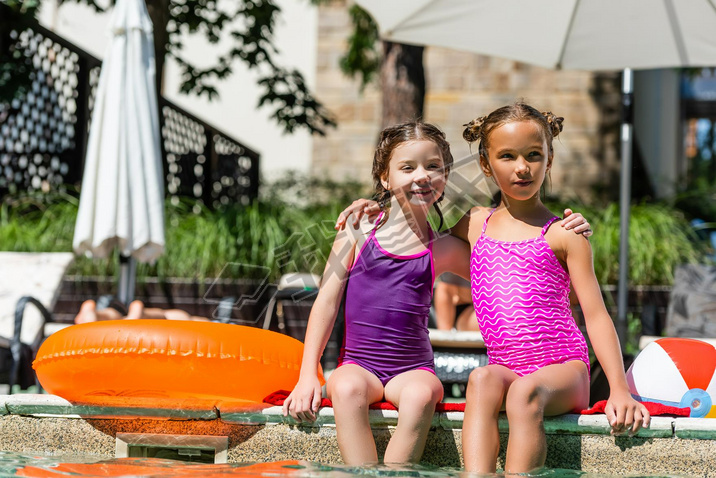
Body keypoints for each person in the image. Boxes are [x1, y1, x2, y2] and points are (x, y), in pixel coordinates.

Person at [451, 102, 650, 474]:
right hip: (506, 369)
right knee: (480, 379)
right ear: (485, 164)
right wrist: (373, 211)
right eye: (507, 156)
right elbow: (415, 250)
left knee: (525, 394)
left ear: (550, 158)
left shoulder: (564, 234)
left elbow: (595, 314)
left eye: (533, 155)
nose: (522, 167)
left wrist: (619, 389)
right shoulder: (476, 224)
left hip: (564, 370)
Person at [282, 121, 472, 465]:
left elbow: (505, 272)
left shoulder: (444, 248)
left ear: (445, 177)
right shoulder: (357, 230)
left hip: (412, 368)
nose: (422, 176)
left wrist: (562, 234)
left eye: (433, 167)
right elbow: (327, 300)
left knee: (423, 393)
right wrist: (308, 372)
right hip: (360, 364)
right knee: (343, 386)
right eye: (407, 167)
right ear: (385, 178)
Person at [74, 299, 209, 323]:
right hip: (181, 320)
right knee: (167, 316)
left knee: (115, 317)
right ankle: (140, 314)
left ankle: (96, 314)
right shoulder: (204, 324)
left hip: (117, 313)